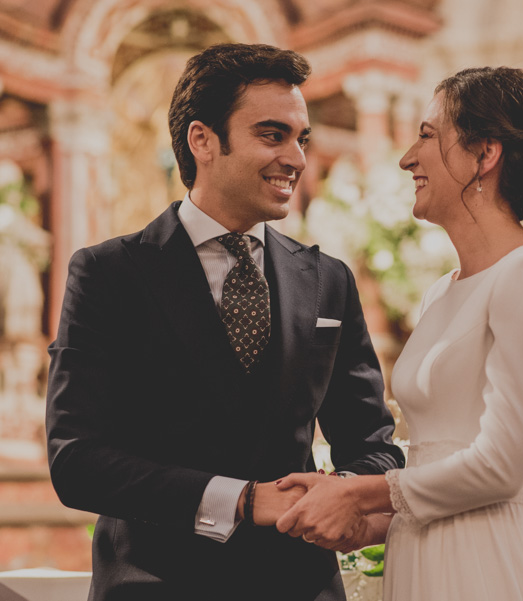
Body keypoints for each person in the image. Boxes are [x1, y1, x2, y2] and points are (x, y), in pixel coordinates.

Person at [274, 67, 523, 601]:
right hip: (425, 551)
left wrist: (361, 493)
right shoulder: (441, 292)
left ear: (485, 155)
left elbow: (503, 466)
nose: (407, 157)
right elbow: (441, 462)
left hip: (494, 561)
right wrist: (372, 523)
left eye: (428, 135)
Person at [45, 43, 404, 601]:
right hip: (155, 585)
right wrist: (239, 499)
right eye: (272, 135)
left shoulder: (329, 280)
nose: (297, 157)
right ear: (202, 140)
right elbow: (77, 461)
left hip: (301, 587)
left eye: (300, 138)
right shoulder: (108, 273)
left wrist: (341, 494)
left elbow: (374, 444)